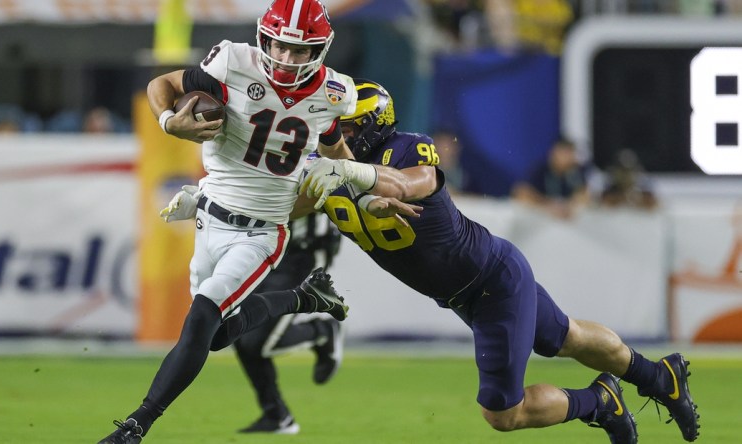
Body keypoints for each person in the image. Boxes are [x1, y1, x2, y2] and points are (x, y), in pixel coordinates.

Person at [298, 79, 700, 443]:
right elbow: (282, 207)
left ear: (374, 125)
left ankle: (598, 402)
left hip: (491, 281)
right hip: (466, 292)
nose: (338, 138)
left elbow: (408, 183)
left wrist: (352, 174)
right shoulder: (330, 168)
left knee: (503, 413)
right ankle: (659, 377)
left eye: (347, 128)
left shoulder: (406, 149)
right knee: (568, 338)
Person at [97, 1, 360, 442]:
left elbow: (336, 151)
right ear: (265, 37)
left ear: (322, 48)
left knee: (201, 318)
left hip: (261, 233)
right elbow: (161, 82)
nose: (288, 59)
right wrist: (168, 122)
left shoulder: (335, 93)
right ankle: (305, 299)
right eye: (281, 46)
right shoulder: (232, 61)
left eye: (301, 51)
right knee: (217, 336)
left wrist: (364, 188)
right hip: (208, 220)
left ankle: (135, 426)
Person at [232, 212, 344, 434]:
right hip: (261, 249)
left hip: (301, 252)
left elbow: (307, 195)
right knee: (236, 328)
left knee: (259, 342)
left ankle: (322, 331)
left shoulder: (298, 176)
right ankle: (277, 416)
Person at [511, 137, 591, 219]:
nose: (567, 158)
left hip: (567, 217)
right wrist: (547, 204)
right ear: (554, 153)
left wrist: (570, 205)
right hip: (543, 215)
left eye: (570, 153)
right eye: (563, 153)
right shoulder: (541, 171)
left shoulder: (576, 171)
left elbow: (584, 195)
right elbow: (520, 192)